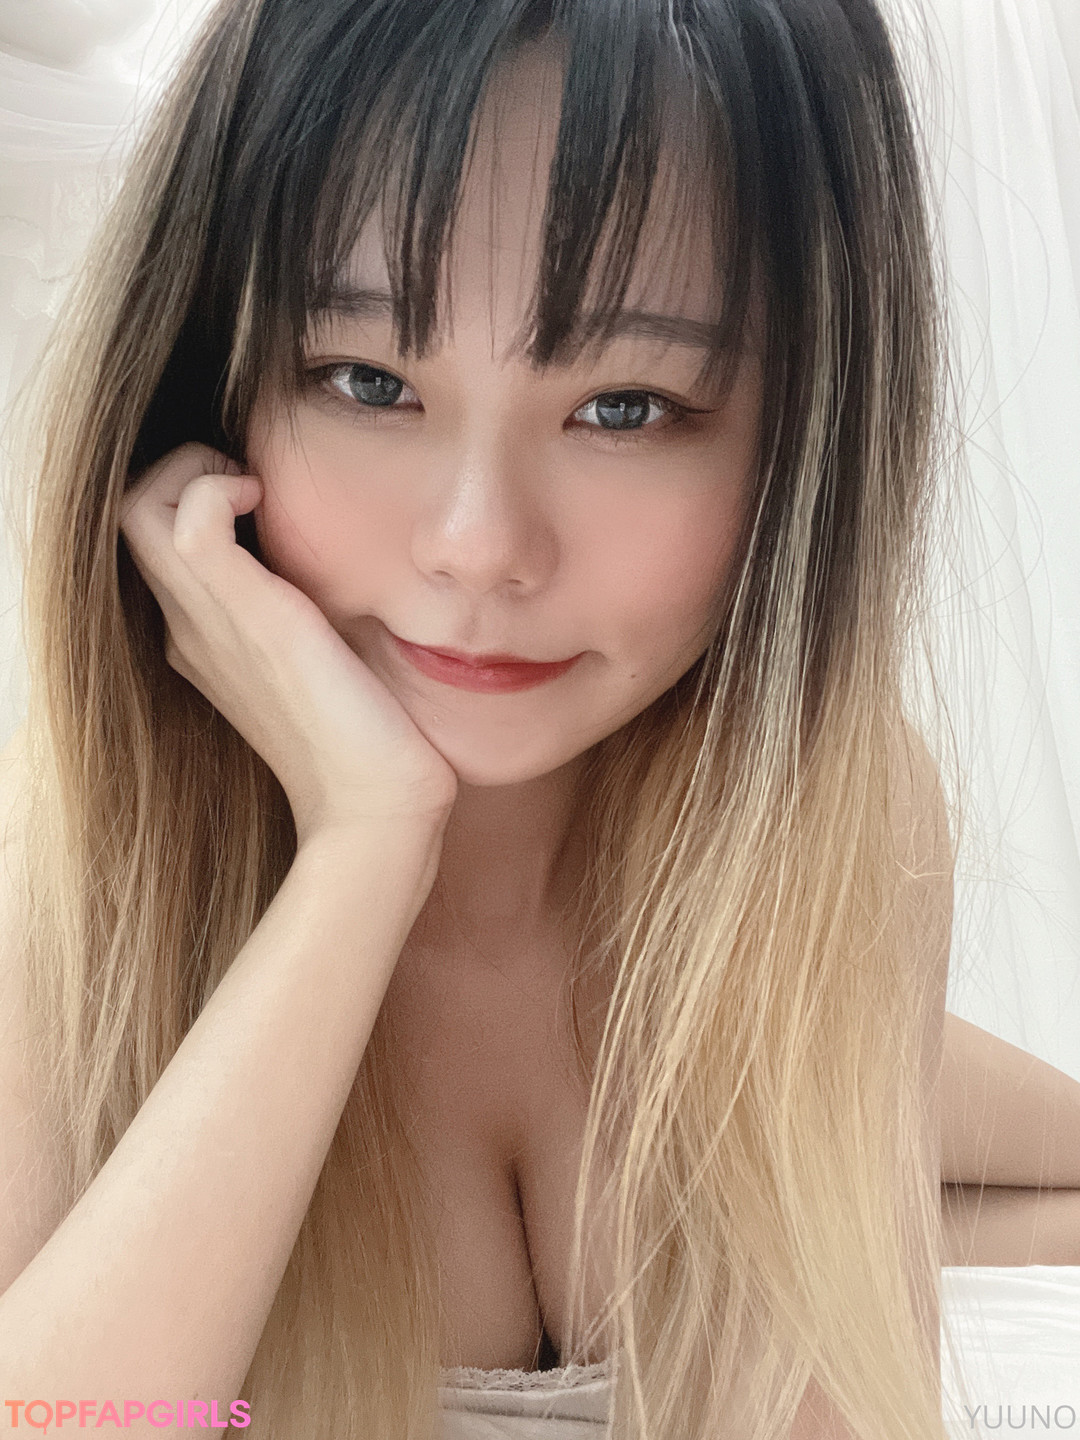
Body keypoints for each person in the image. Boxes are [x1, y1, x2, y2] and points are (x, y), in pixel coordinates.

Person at [0, 1, 1078, 1438]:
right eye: (369, 382)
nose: (479, 548)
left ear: (800, 442)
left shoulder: (824, 826)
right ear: (209, 384)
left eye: (626, 407)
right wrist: (361, 849)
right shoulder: (71, 863)